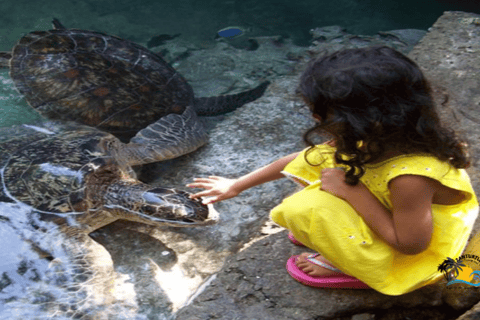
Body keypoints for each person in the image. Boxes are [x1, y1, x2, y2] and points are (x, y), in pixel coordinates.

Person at [186, 46, 479, 295]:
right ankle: (346, 234)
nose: (314, 118)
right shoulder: (384, 135)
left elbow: (411, 245)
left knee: (306, 208)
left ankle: (352, 265)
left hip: (417, 250)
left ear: (364, 120)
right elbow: (300, 159)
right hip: (396, 211)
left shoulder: (410, 178)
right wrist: (237, 184)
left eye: (320, 113)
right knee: (322, 162)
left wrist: (354, 193)